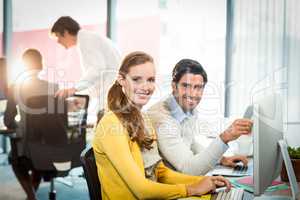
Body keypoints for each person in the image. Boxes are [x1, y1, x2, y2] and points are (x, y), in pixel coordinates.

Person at [92, 51, 231, 200]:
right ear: (121, 80)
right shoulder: (111, 125)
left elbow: (160, 172)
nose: (146, 87)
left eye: (150, 80)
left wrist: (201, 181)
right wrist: (191, 189)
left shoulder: (143, 118)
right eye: (137, 79)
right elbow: (141, 190)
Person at [148, 59, 253, 176]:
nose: (192, 94)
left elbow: (190, 143)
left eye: (198, 87)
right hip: (167, 185)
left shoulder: (186, 108)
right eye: (186, 86)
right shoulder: (162, 119)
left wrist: (222, 159)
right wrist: (225, 138)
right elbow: (189, 169)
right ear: (174, 86)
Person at [4, 49, 58, 200]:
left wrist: (20, 126)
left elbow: (8, 120)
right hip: (50, 148)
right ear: (41, 65)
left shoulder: (16, 88)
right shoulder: (53, 87)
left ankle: (31, 196)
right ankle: (31, 196)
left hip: (28, 148)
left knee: (16, 158)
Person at [50, 16, 121, 112]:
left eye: (58, 36)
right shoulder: (89, 38)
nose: (58, 41)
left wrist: (74, 89)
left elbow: (97, 70)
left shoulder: (86, 40)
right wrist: (86, 97)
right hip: (112, 95)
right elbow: (100, 77)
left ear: (66, 32)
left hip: (112, 97)